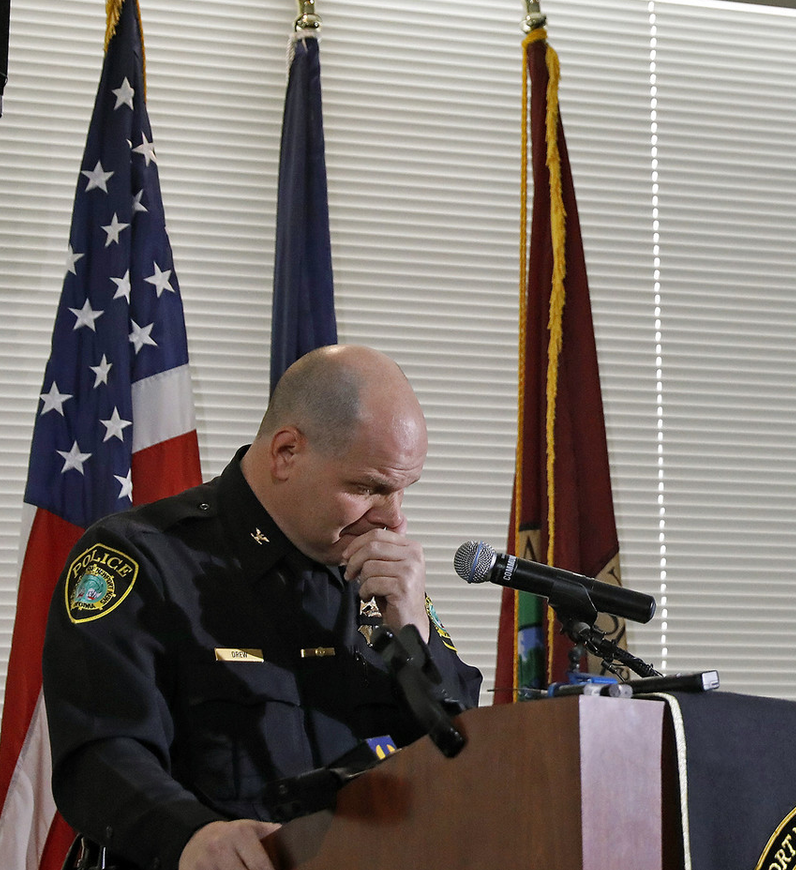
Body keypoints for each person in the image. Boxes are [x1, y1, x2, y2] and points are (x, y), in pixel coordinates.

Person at [43, 344, 482, 870]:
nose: (393, 520)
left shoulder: (378, 581)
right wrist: (191, 837)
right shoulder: (139, 560)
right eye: (368, 487)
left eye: (404, 490)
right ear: (286, 453)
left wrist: (416, 637)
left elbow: (464, 754)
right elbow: (100, 753)